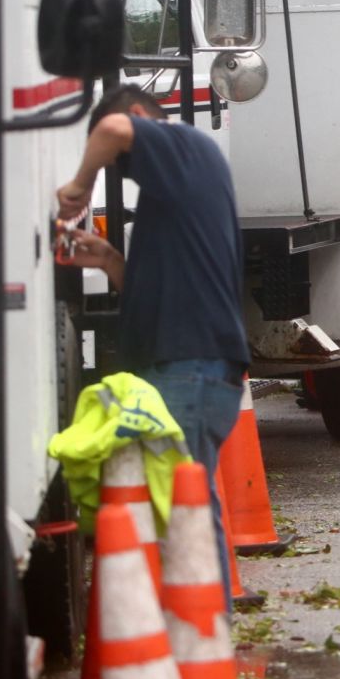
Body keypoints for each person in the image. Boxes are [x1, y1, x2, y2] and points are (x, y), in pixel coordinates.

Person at [56, 86, 248, 606]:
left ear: (142, 117)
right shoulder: (179, 184)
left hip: (191, 369)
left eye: (120, 163)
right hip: (190, 368)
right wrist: (110, 261)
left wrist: (80, 184)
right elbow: (161, 292)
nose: (122, 169)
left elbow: (111, 130)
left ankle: (202, 637)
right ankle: (199, 635)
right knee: (180, 502)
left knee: (182, 508)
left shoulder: (180, 143)